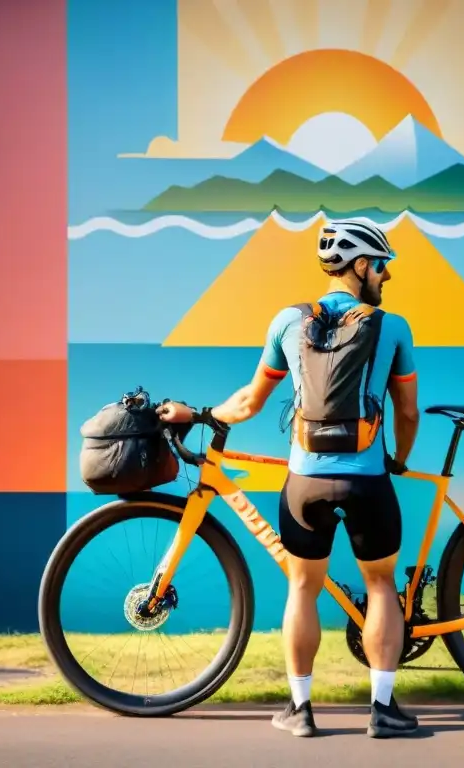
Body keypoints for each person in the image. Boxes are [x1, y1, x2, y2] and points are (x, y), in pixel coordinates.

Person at [157, 218, 421, 739]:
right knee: (381, 583)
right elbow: (408, 411)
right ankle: (383, 710)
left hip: (304, 483)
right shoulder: (393, 327)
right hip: (368, 480)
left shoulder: (286, 321)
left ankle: (300, 710)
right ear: (361, 266)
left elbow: (251, 402)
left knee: (303, 587)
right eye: (382, 264)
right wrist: (399, 460)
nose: (386, 275)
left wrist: (200, 412)